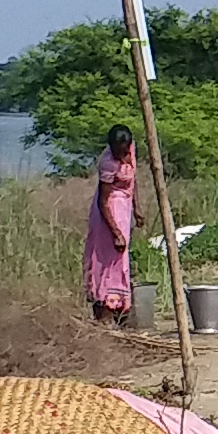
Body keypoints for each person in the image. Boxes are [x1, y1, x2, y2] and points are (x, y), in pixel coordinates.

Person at [83, 125, 137, 322]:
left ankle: (120, 307)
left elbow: (133, 181)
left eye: (123, 149)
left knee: (121, 260)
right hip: (108, 214)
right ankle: (104, 307)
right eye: (116, 149)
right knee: (108, 260)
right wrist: (115, 232)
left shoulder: (131, 150)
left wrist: (137, 209)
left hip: (124, 209)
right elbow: (102, 202)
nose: (120, 153)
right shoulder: (107, 163)